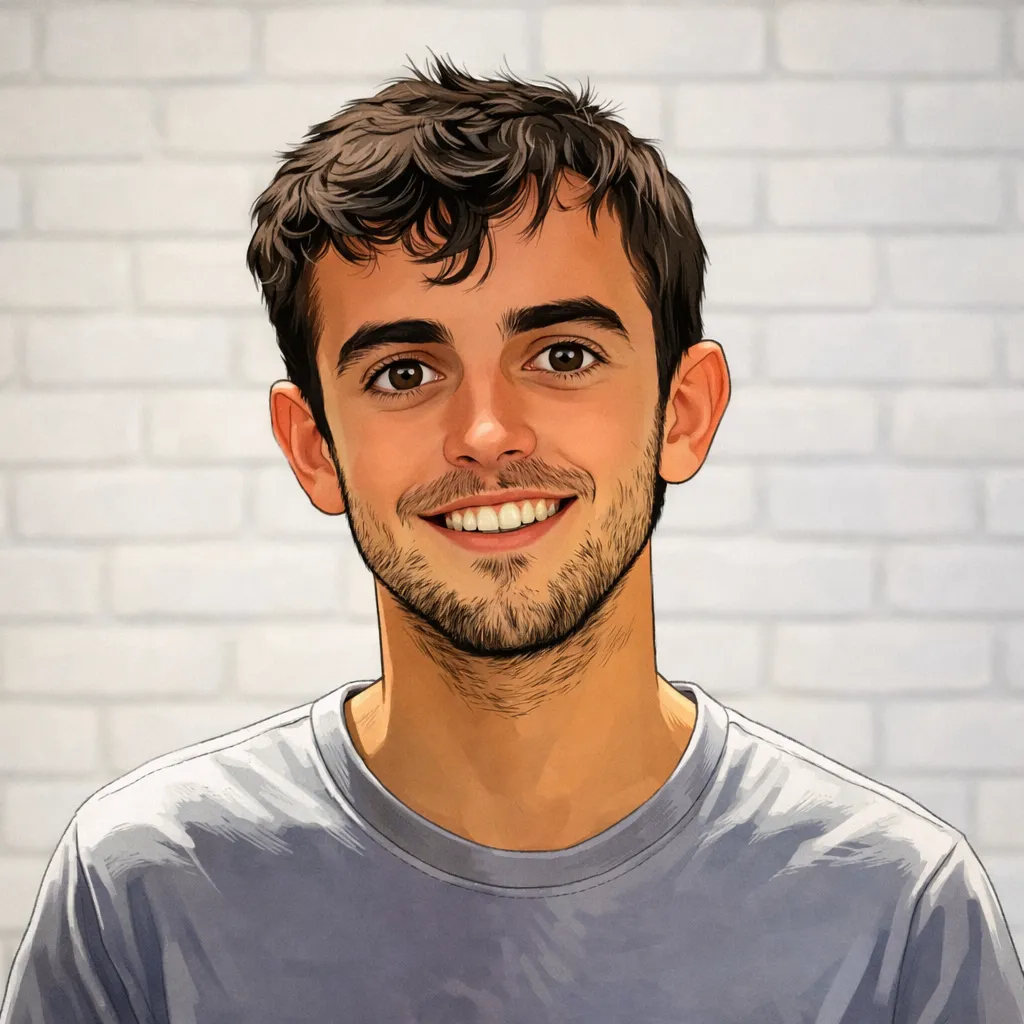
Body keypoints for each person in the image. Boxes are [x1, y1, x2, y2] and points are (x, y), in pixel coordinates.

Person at [3, 56, 1023, 1024]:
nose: (486, 434)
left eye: (563, 354)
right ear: (313, 446)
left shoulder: (897, 910)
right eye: (404, 372)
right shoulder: (137, 891)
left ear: (684, 410)